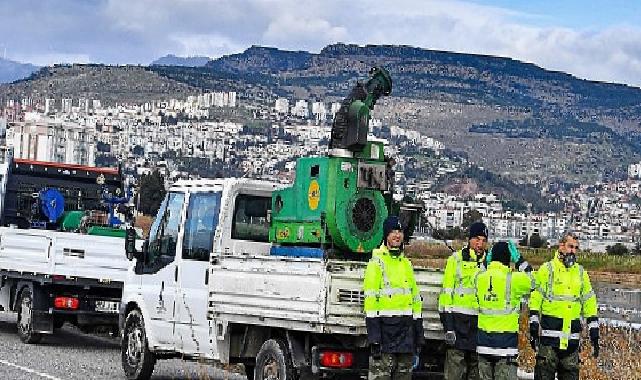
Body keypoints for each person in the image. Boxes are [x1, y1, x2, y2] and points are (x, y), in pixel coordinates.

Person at [529, 232, 599, 380]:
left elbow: (589, 302)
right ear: (561, 246)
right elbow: (536, 297)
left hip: (571, 345)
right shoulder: (547, 269)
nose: (573, 251)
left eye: (576, 248)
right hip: (549, 343)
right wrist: (533, 322)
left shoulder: (581, 273)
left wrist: (594, 331)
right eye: (570, 246)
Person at [364, 215, 424, 380]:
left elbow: (415, 299)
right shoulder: (376, 263)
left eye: (400, 231)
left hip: (406, 337)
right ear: (386, 236)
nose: (397, 235)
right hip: (385, 337)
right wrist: (374, 339)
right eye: (393, 232)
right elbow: (370, 303)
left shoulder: (406, 264)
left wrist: (419, 335)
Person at [475, 241, 535, 380]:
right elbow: (533, 281)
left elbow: (477, 272)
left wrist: (485, 261)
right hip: (506, 347)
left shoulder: (480, 278)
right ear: (509, 258)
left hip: (483, 345)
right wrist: (519, 260)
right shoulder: (513, 279)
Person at [438, 221, 489, 380]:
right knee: (454, 372)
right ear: (469, 239)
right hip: (458, 325)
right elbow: (446, 295)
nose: (480, 244)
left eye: (484, 240)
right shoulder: (456, 259)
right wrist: (449, 327)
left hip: (479, 326)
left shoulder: (489, 263)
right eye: (477, 239)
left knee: (476, 372)